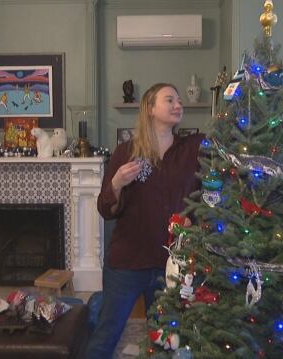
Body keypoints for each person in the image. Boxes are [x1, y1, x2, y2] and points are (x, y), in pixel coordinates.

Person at [87, 83, 205, 358]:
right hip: (128, 262)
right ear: (150, 109)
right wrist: (116, 183)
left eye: (179, 100)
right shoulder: (126, 152)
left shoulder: (193, 149)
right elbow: (107, 209)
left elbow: (208, 192)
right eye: (170, 100)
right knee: (106, 334)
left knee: (166, 339)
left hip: (172, 263)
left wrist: (192, 219)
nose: (178, 105)